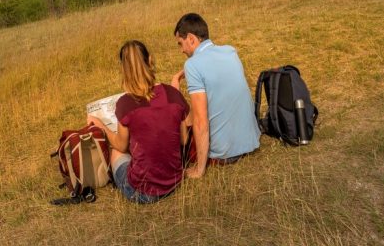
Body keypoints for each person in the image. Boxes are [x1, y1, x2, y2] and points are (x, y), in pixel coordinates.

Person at [88, 40, 191, 203]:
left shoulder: (125, 103)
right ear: (150, 60)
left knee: (117, 151)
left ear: (124, 70)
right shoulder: (172, 93)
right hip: (175, 181)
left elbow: (121, 145)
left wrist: (101, 126)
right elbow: (184, 139)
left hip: (142, 192)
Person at [170, 13, 259, 179]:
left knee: (179, 124)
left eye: (180, 44)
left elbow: (200, 121)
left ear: (191, 38)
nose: (181, 50)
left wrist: (199, 169)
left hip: (223, 154)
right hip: (251, 142)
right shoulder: (230, 51)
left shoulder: (192, 65)